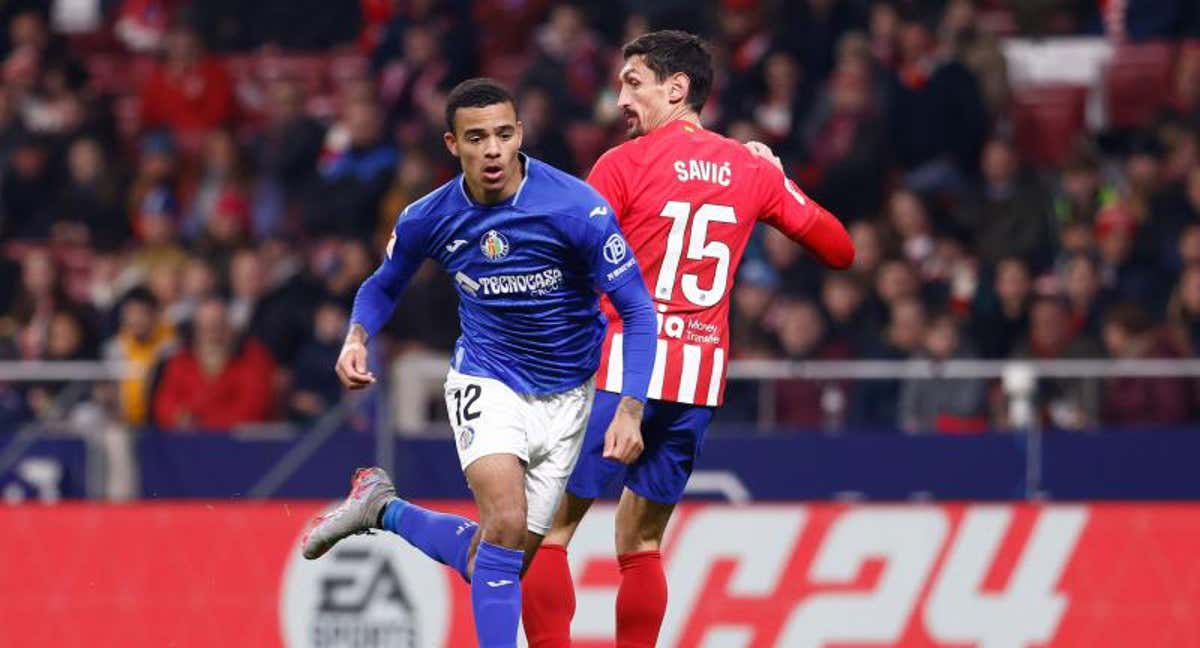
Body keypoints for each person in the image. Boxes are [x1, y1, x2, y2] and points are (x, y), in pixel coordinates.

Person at [520, 30, 855, 648]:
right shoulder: (749, 167)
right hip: (697, 379)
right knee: (642, 543)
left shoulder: (620, 165)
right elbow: (840, 248)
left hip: (622, 370)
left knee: (546, 531)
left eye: (633, 82)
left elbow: (570, 261)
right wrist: (780, 179)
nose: (620, 97)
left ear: (677, 89)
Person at [298, 78, 658, 648]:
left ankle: (383, 509)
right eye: (476, 138)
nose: (492, 149)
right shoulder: (429, 216)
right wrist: (357, 336)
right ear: (452, 144)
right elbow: (382, 284)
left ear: (519, 135)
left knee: (501, 556)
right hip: (488, 379)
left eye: (503, 134)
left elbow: (639, 311)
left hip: (568, 396)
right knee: (507, 523)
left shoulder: (575, 208)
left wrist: (630, 407)